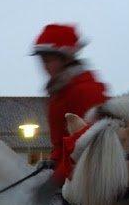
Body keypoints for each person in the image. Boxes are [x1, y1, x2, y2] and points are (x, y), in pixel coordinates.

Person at [31, 24, 109, 183]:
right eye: (42, 61)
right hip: (69, 174)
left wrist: (58, 176)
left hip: (90, 179)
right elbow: (60, 145)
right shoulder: (58, 92)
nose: (45, 66)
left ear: (65, 58)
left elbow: (89, 144)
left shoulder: (85, 90)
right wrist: (51, 162)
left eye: (48, 60)